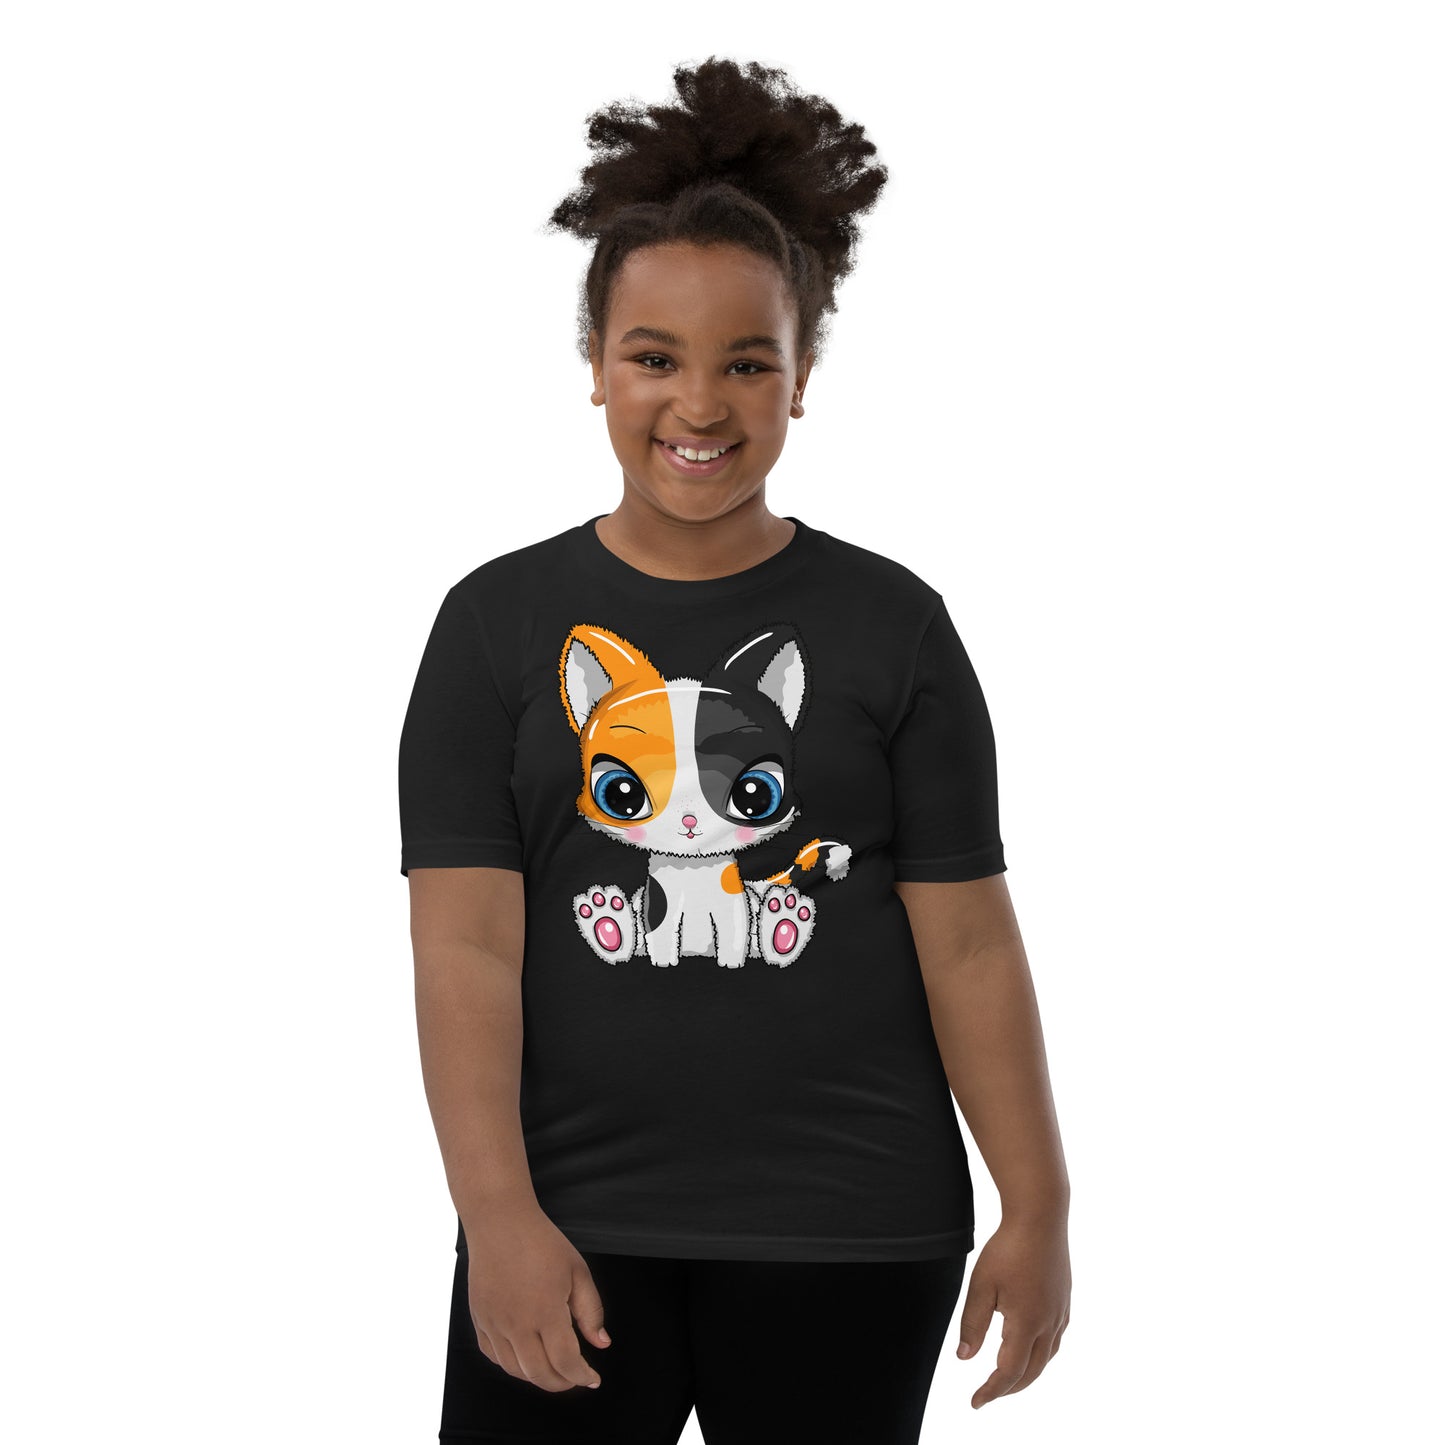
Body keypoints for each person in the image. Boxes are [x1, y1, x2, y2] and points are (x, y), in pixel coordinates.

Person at [398, 56, 1071, 1445]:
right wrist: (496, 1214)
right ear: (595, 365)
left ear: (800, 377)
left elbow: (968, 944)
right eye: (654, 357)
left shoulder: (892, 627)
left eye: (746, 362)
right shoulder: (494, 626)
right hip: (571, 1225)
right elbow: (463, 944)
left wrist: (1038, 1202)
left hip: (853, 1227)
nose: (698, 405)